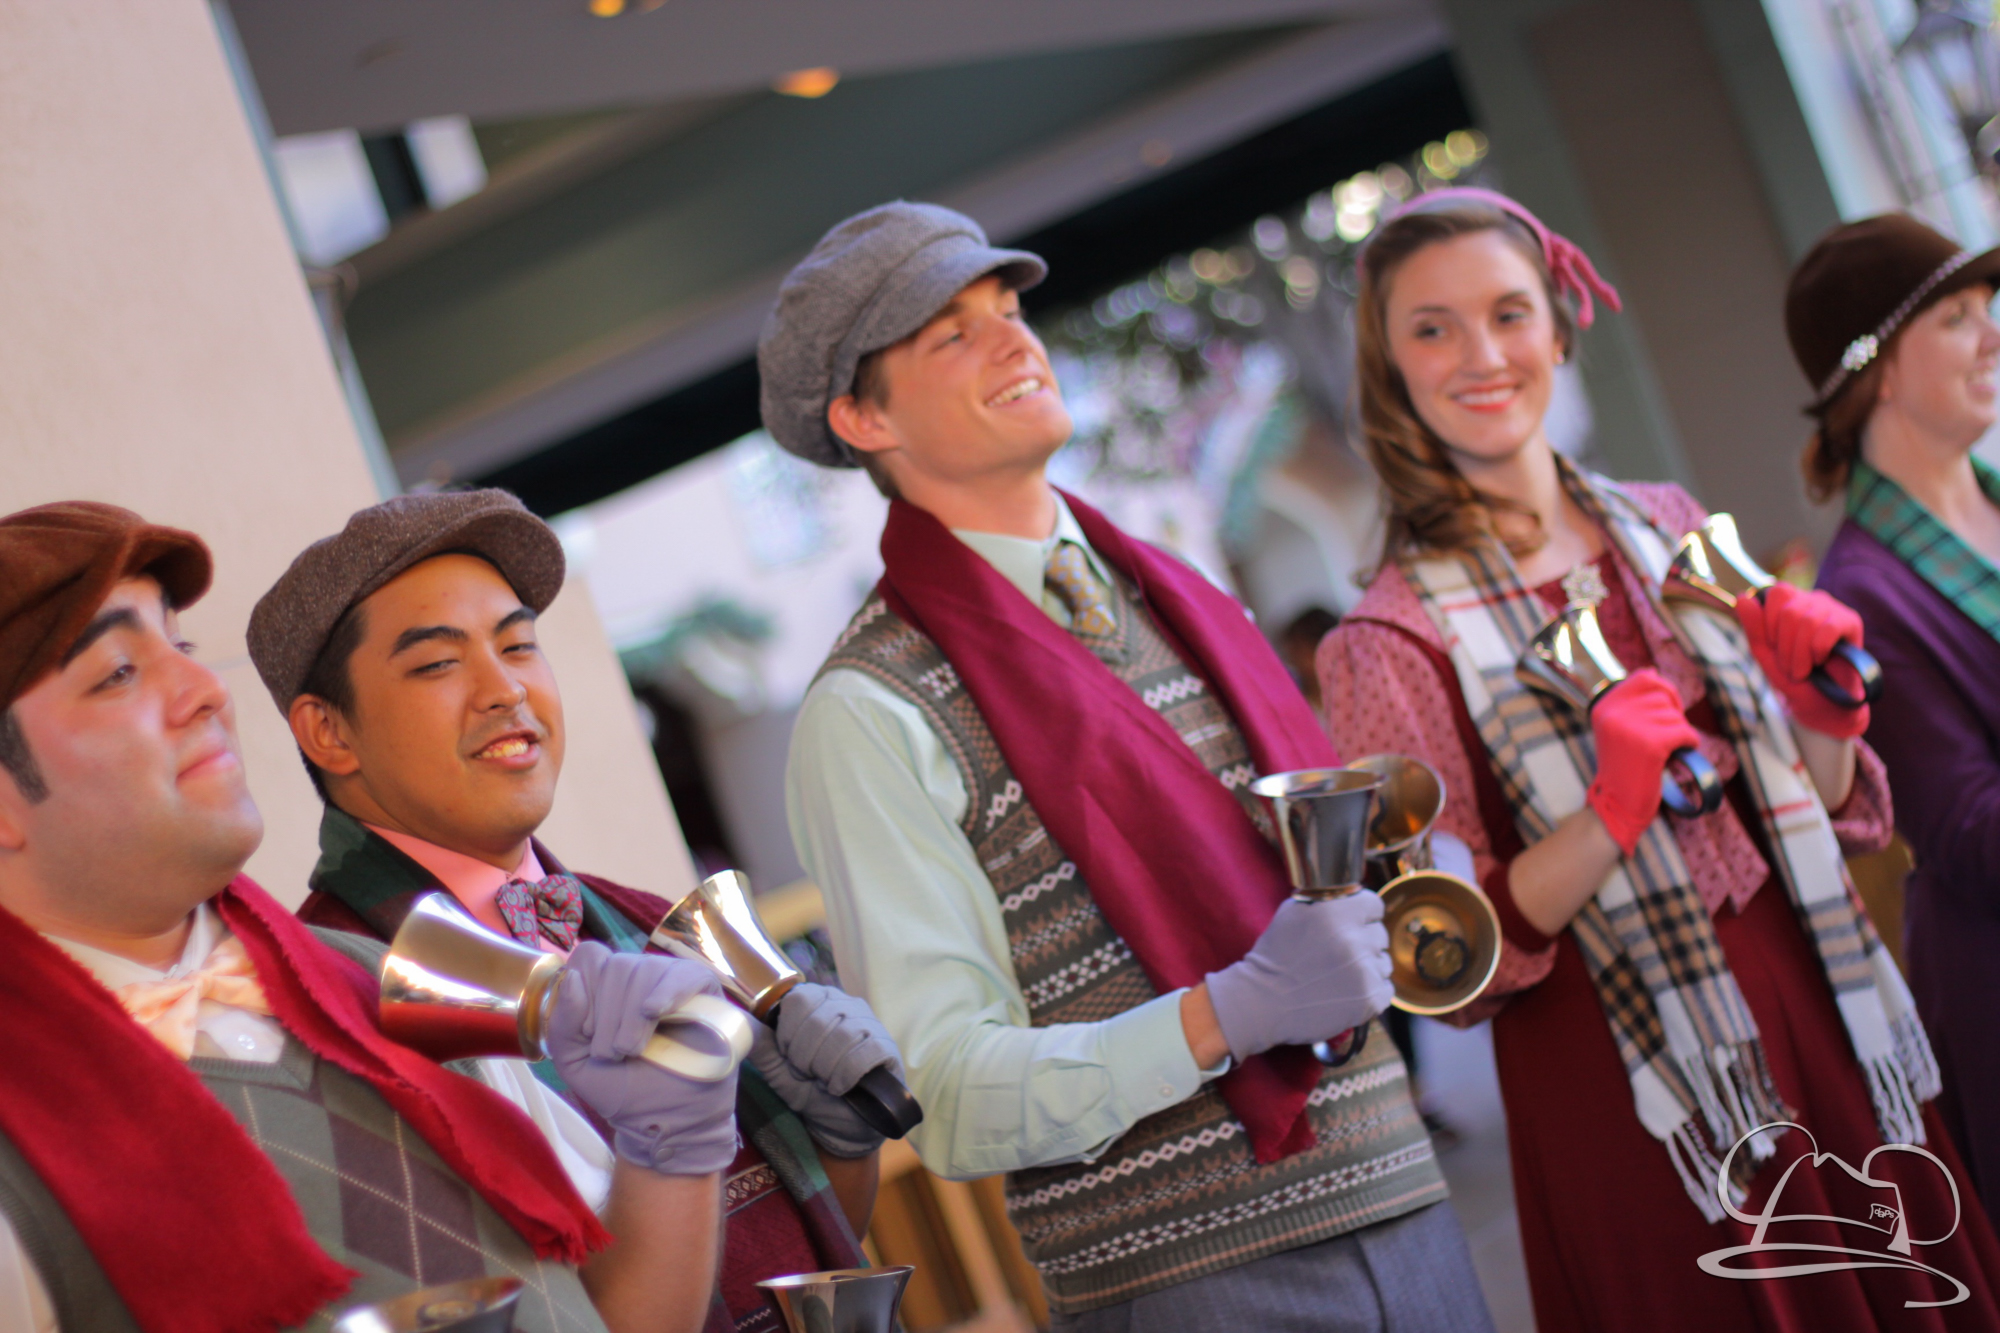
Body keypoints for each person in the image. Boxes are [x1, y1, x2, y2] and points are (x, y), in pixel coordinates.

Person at [771, 201, 1492, 1331]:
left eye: (1007, 308)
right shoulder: (871, 707)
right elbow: (944, 1092)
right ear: (863, 418)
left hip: (1399, 1191)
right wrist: (1226, 1014)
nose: (1014, 339)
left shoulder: (1177, 590)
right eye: (951, 333)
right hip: (1185, 1279)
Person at [1317, 185, 2000, 1330]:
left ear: (1558, 327)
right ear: (1388, 370)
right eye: (1431, 329)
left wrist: (1820, 708)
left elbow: (1826, 810)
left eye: (1508, 313)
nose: (1481, 354)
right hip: (1640, 1098)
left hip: (1820, 1005)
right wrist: (1607, 812)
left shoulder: (1667, 523)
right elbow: (1445, 960)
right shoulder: (1385, 643)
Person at [0, 501, 737, 1333]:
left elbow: (611, 1315)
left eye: (183, 646)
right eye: (118, 674)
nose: (207, 691)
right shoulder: (18, 1151)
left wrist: (670, 1140)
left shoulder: (396, 976)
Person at [246, 489, 900, 1333]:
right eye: (438, 662)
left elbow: (793, 1234)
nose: (505, 688)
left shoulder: (648, 917)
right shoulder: (332, 1003)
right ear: (329, 732)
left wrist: (844, 1144)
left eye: (519, 644)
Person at [1786, 214, 2000, 1229]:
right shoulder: (1858, 598)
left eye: (1986, 308)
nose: (1991, 335)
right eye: (1954, 317)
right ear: (1871, 370)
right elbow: (1970, 834)